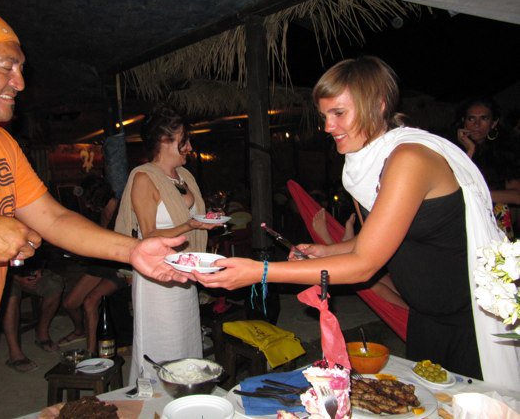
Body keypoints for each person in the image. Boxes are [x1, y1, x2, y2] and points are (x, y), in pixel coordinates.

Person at [0, 3, 188, 418]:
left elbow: (54, 218)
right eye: (6, 66)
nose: (20, 82)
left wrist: (131, 252)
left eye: (20, 68)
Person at [194, 56, 520, 386]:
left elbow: (365, 264)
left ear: (377, 105)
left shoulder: (409, 158)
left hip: (471, 321)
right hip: (426, 318)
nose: (327, 126)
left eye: (338, 113)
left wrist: (261, 272)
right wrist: (326, 252)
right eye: (324, 116)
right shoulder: (367, 163)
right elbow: (383, 236)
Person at [114, 104, 219, 383]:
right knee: (162, 342)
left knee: (186, 337)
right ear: (164, 140)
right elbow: (147, 234)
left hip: (183, 271)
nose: (189, 146)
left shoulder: (185, 177)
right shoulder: (144, 177)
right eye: (184, 139)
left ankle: (186, 392)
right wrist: (191, 225)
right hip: (155, 278)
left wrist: (204, 221)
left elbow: (191, 217)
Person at [59, 175, 128, 353]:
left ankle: (91, 354)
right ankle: (80, 330)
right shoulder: (100, 211)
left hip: (120, 268)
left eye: (88, 201)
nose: (88, 206)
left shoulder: (123, 209)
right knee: (70, 303)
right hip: (101, 265)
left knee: (90, 301)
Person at [455, 96, 520, 239]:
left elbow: (516, 195)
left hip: (494, 216)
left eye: (483, 118)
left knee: (500, 209)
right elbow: (454, 184)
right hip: (460, 214)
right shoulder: (452, 148)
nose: (477, 124)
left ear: (494, 123)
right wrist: (469, 151)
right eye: (471, 119)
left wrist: (477, 195)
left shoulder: (505, 151)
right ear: (463, 122)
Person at [2, 260, 64, 372]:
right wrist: (16, 278)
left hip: (28, 272)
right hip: (5, 275)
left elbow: (41, 255)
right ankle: (15, 354)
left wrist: (38, 274)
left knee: (54, 284)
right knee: (10, 295)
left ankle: (42, 333)